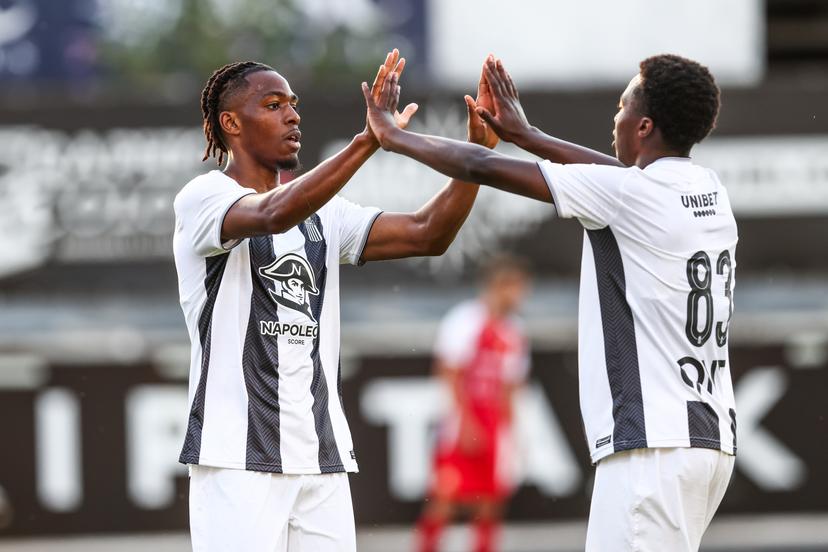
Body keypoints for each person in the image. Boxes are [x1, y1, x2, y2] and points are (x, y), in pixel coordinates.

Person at [364, 54, 737, 552]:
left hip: (653, 445)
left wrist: (394, 137)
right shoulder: (709, 189)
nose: (616, 118)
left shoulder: (627, 195)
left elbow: (479, 165)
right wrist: (527, 135)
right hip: (708, 442)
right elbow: (619, 181)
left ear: (644, 126)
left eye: (623, 107)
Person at [173, 50, 500, 552]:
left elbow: (428, 233)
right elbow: (273, 215)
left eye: (293, 104)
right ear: (231, 123)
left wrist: (477, 160)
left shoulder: (325, 216)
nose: (292, 116)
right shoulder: (203, 198)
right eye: (274, 105)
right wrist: (368, 141)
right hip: (236, 458)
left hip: (321, 459)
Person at [417, 255, 531, 552]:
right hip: (462, 421)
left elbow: (511, 387)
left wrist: (513, 434)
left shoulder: (514, 331)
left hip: (495, 424)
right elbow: (449, 372)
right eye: (515, 288)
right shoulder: (465, 319)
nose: (520, 296)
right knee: (445, 495)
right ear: (498, 286)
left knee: (491, 500)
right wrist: (466, 421)